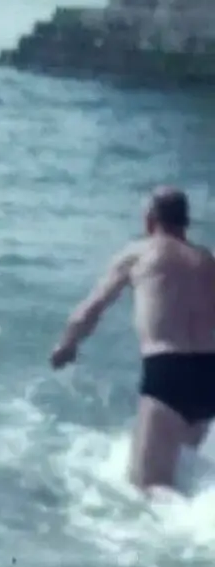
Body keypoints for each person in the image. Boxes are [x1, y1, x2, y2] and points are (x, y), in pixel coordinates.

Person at [50, 186, 215, 497]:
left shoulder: (139, 253)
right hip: (209, 375)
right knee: (185, 479)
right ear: (186, 222)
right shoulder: (207, 260)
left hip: (167, 371)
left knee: (147, 489)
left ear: (150, 219)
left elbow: (90, 309)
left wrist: (66, 344)